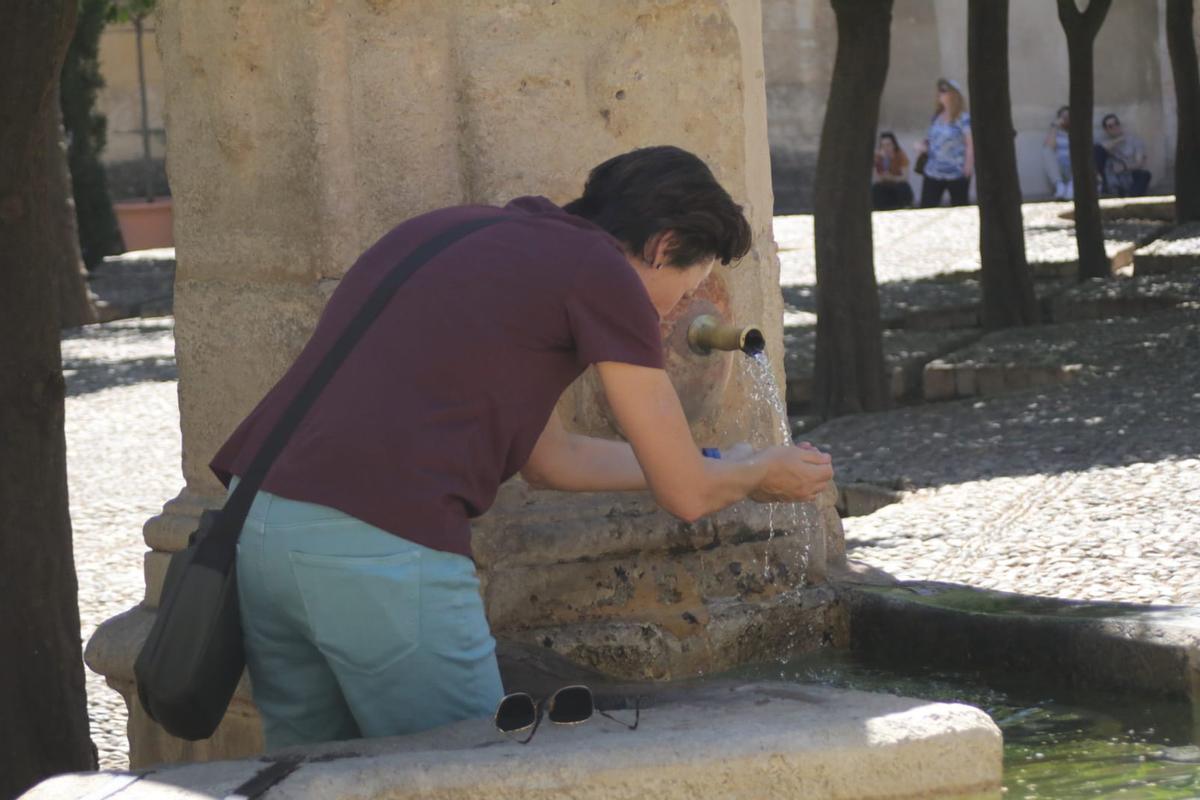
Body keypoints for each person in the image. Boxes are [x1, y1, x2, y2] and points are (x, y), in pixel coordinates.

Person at [209, 146, 836, 750]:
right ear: (664, 245)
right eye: (687, 284)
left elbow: (553, 460)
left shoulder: (471, 233)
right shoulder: (602, 272)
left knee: (311, 777)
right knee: (475, 771)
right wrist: (755, 476)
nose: (674, 315)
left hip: (262, 525)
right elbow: (685, 496)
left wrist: (722, 462)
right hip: (378, 549)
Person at [915, 78, 973, 207]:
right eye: (939, 91)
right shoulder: (937, 116)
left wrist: (968, 166)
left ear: (954, 94)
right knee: (927, 207)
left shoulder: (963, 118)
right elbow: (931, 140)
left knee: (960, 208)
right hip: (933, 171)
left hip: (956, 171)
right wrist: (922, 147)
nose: (940, 93)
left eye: (944, 91)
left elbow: (970, 144)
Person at [1096, 113, 1152, 197]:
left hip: (1129, 173)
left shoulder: (1134, 141)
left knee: (1145, 175)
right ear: (1106, 130)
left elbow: (1139, 163)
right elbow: (1100, 150)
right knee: (1097, 150)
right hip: (1111, 176)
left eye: (1116, 124)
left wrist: (1124, 166)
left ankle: (1131, 197)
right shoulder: (1104, 142)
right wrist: (1118, 139)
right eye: (1110, 126)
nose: (1115, 127)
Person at [872, 132, 914, 210]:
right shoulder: (878, 156)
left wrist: (891, 177)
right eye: (883, 145)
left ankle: (905, 207)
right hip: (883, 185)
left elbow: (905, 177)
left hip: (897, 185)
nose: (886, 148)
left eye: (888, 145)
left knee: (904, 187)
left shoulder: (900, 154)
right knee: (875, 189)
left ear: (894, 145)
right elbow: (876, 178)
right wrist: (878, 161)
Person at [1043, 106, 1073, 200]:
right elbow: (1049, 146)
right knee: (1047, 151)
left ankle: (1071, 186)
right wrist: (1055, 126)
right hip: (1060, 168)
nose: (1067, 119)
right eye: (1064, 117)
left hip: (1073, 167)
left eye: (1069, 117)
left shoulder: (1079, 132)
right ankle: (1060, 186)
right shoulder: (1056, 133)